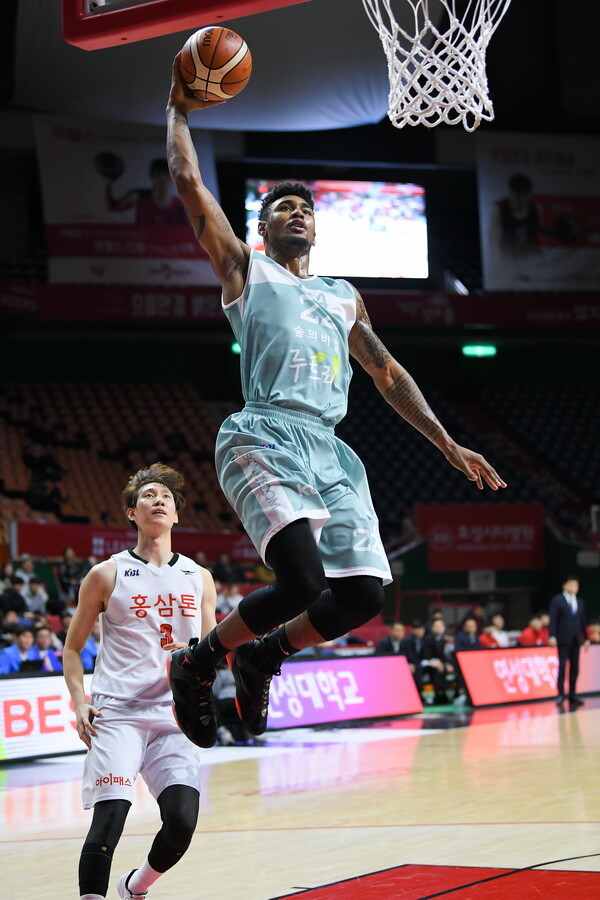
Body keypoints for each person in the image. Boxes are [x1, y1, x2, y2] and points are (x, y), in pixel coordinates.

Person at [165, 56, 506, 749]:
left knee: (363, 596)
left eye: (306, 209)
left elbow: (386, 372)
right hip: (265, 433)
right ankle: (199, 661)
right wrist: (177, 108)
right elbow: (190, 183)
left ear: (317, 231)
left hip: (330, 450)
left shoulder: (344, 296)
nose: (298, 213)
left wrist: (446, 442)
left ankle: (264, 657)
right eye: (283, 209)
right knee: (299, 580)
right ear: (263, 230)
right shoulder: (247, 270)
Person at [63, 462, 217, 900]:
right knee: (110, 818)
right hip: (118, 714)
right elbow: (72, 649)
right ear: (133, 513)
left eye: (166, 496)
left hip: (174, 714)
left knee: (182, 821)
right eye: (148, 495)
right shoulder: (106, 573)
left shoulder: (199, 577)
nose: (158, 500)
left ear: (176, 515)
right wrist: (80, 702)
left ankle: (135, 886)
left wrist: (200, 669)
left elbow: (211, 651)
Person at [549, 577, 589, 707]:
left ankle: (573, 694)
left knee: (575, 668)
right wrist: (552, 635)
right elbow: (553, 618)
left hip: (576, 639)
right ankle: (560, 695)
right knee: (562, 667)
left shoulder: (579, 601)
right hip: (563, 638)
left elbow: (583, 621)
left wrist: (586, 638)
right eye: (571, 584)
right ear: (564, 585)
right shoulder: (557, 600)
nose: (574, 587)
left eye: (576, 585)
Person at [421, 618, 455, 705]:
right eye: (437, 626)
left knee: (447, 669)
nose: (439, 628)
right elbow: (426, 655)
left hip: (441, 664)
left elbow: (444, 656)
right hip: (429, 664)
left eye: (441, 626)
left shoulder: (444, 640)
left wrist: (447, 664)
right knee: (436, 670)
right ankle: (437, 695)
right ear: (432, 628)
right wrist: (435, 662)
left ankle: (445, 694)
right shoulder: (427, 639)